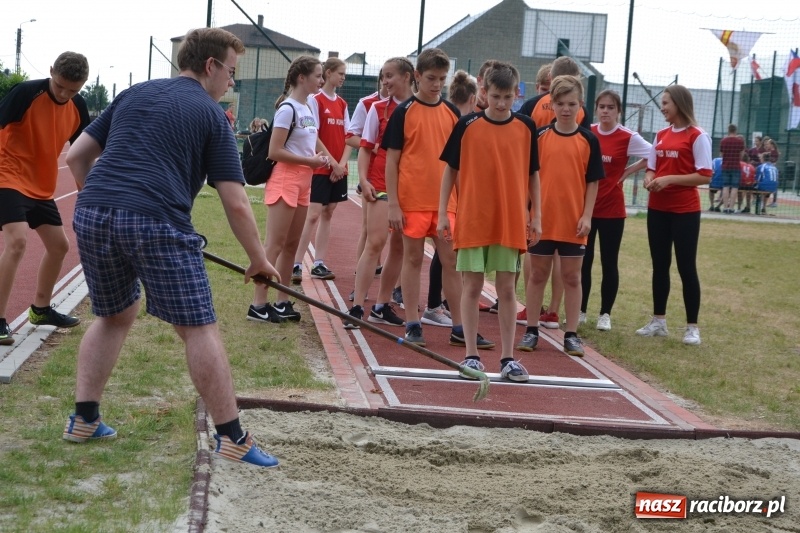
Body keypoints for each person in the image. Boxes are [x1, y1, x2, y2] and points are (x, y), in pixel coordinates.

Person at [64, 28, 281, 467]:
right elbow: (236, 201)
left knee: (112, 314)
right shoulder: (210, 113)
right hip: (154, 221)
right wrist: (260, 261)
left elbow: (76, 157)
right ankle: (233, 437)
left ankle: (84, 419)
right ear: (210, 67)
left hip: (93, 213)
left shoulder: (134, 93)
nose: (231, 84)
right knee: (199, 328)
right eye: (232, 73)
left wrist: (105, 202)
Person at [384, 48, 494, 350]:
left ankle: (459, 326)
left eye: (442, 79)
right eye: (431, 78)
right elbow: (392, 161)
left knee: (451, 261)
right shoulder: (403, 112)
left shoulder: (450, 113)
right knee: (413, 258)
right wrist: (393, 202)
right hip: (411, 201)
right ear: (417, 76)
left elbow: (460, 162)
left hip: (446, 204)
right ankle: (413, 323)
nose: (436, 84)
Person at [439, 61, 540, 381]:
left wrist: (536, 216)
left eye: (507, 97)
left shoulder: (526, 128)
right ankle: (471, 355)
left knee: (507, 289)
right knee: (472, 286)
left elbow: (533, 175)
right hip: (472, 218)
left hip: (509, 221)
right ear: (483, 92)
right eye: (495, 96)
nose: (501, 103)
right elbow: (449, 171)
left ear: (517, 94)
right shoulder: (467, 125)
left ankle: (508, 358)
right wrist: (443, 212)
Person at [0, 51, 90, 346]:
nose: (64, 94)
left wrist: (85, 197)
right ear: (51, 71)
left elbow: (81, 155)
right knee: (17, 241)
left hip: (40, 184)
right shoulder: (25, 93)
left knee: (59, 245)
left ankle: (40, 310)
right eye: (60, 85)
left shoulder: (78, 106)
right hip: (8, 174)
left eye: (73, 90)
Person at [516, 75, 604, 357]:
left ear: (580, 106)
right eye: (561, 103)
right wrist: (529, 213)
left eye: (572, 104)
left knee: (572, 277)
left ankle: (572, 333)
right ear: (551, 104)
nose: (566, 109)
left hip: (574, 221)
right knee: (538, 273)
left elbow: (593, 182)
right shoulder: (539, 137)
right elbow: (529, 177)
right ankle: (531, 329)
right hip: (542, 220)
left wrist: (587, 215)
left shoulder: (589, 140)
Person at [249, 56, 332, 323]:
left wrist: (320, 155)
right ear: (301, 78)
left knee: (292, 245)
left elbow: (308, 142)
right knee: (275, 243)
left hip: (304, 180)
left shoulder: (308, 106)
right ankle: (258, 305)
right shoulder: (287, 109)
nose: (321, 80)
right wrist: (310, 160)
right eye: (318, 76)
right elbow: (275, 151)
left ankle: (282, 300)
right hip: (286, 178)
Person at [636, 85, 712, 346]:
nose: (663, 107)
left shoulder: (697, 136)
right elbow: (651, 168)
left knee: (686, 267)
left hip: (685, 212)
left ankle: (692, 327)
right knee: (660, 265)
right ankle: (659, 321)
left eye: (666, 102)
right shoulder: (661, 134)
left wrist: (669, 180)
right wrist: (650, 179)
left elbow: (704, 174)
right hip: (657, 209)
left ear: (679, 104)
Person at [342, 57, 415, 330]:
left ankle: (382, 305)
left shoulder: (420, 109)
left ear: (408, 76)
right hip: (381, 183)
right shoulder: (377, 109)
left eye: (390, 76)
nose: (385, 82)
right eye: (383, 76)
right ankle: (357, 306)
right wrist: (362, 178)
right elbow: (364, 146)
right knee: (376, 242)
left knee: (399, 248)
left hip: (411, 188)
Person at [582, 90, 651, 331]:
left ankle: (605, 314)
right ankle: (580, 310)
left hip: (612, 210)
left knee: (609, 262)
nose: (605, 111)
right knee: (583, 260)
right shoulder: (588, 131)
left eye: (610, 107)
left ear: (618, 111)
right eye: (601, 106)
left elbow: (654, 156)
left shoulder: (627, 137)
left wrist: (627, 172)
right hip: (586, 209)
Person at [421, 69, 479, 329]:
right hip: (443, 192)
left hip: (442, 190)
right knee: (445, 252)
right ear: (474, 98)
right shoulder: (457, 120)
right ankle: (434, 304)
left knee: (445, 253)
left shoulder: (454, 116)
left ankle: (439, 304)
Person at [291, 57, 351, 283]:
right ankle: (296, 263)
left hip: (337, 169)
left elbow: (349, 137)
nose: (343, 77)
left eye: (344, 74)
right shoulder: (315, 101)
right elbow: (313, 134)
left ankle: (319, 263)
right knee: (313, 214)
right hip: (321, 167)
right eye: (340, 73)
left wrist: (341, 165)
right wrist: (331, 162)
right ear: (327, 73)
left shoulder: (343, 104)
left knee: (329, 212)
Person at [343, 70, 388, 297]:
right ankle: (358, 286)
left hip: (400, 179)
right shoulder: (368, 103)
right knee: (369, 231)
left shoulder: (410, 105)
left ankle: (393, 291)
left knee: (398, 240)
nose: (389, 83)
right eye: (385, 78)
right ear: (381, 80)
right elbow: (350, 136)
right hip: (372, 176)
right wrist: (375, 147)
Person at [719, 124, 745, 214]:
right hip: (735, 166)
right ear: (735, 130)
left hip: (725, 165)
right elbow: (742, 154)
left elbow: (721, 154)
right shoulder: (740, 141)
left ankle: (725, 207)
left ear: (728, 130)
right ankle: (731, 207)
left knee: (725, 186)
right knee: (735, 187)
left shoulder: (723, 141)